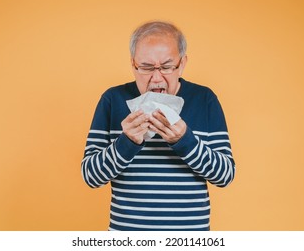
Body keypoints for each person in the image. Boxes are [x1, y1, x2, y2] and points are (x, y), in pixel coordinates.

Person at [81, 21, 235, 231]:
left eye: (166, 67)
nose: (156, 77)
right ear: (133, 64)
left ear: (182, 64)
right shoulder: (112, 100)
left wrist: (186, 142)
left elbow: (225, 175)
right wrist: (126, 143)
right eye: (145, 67)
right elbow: (91, 177)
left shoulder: (204, 99)